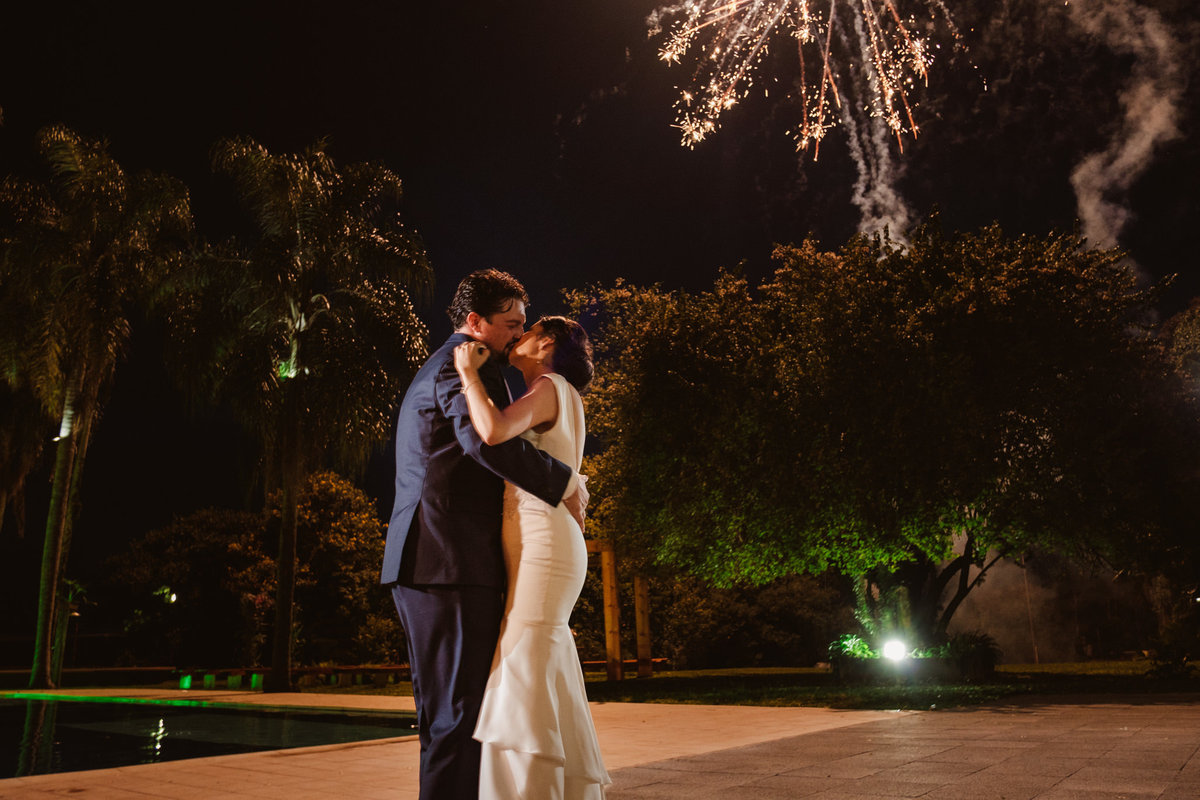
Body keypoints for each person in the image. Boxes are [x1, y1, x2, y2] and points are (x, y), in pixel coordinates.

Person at [382, 270, 588, 800]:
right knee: (456, 714)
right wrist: (564, 481)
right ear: (475, 322)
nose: (518, 333)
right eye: (511, 323)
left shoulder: (467, 365)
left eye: (524, 324)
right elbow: (485, 441)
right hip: (447, 559)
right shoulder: (463, 366)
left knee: (453, 711)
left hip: (441, 561)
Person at [453, 315, 611, 799]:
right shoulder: (560, 392)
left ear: (547, 344)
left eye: (528, 329)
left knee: (524, 656)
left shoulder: (548, 386)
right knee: (537, 656)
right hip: (548, 540)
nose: (518, 337)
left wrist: (467, 375)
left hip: (545, 542)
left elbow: (494, 431)